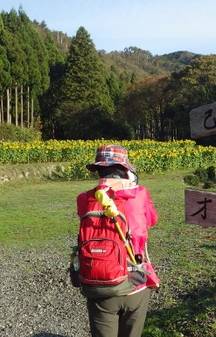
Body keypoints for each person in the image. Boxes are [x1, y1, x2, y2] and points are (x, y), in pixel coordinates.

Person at [78, 144, 159, 337]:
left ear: (98, 170)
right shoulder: (139, 194)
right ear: (125, 170)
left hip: (99, 284)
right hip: (136, 283)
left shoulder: (84, 198)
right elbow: (152, 220)